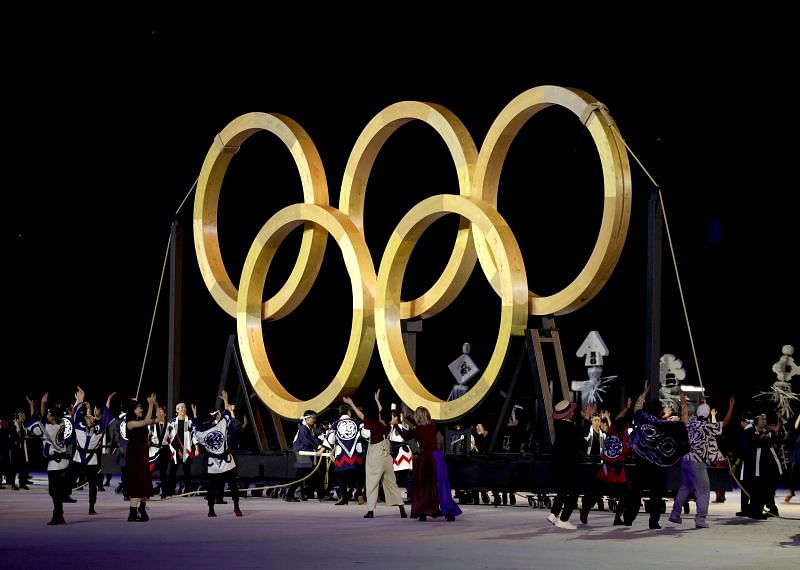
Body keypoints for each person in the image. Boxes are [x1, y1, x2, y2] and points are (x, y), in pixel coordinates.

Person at [668, 396, 734, 528]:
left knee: (685, 487)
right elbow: (725, 422)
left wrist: (685, 404)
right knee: (703, 491)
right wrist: (731, 407)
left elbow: (686, 417)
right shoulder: (708, 426)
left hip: (687, 459)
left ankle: (675, 514)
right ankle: (700, 519)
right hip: (697, 462)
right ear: (708, 414)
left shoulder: (692, 423)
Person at [343, 391, 407, 519]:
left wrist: (351, 404)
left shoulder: (376, 425)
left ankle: (370, 511)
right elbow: (382, 412)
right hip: (387, 457)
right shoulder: (388, 426)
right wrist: (377, 400)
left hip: (376, 456)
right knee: (391, 483)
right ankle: (401, 509)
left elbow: (362, 416)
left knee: (372, 482)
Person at [397, 406, 461, 522]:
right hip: (437, 457)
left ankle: (423, 511)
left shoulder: (418, 430)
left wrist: (396, 425)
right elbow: (420, 426)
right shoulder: (432, 426)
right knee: (442, 485)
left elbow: (406, 436)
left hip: (426, 459)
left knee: (424, 487)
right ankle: (449, 512)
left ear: (418, 417)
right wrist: (407, 418)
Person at [191, 390, 242, 517]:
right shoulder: (222, 426)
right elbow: (226, 413)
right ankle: (236, 507)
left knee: (212, 487)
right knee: (232, 484)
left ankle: (211, 510)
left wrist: (195, 415)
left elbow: (195, 427)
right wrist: (225, 400)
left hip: (216, 461)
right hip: (223, 461)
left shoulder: (201, 433)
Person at [25, 393, 72, 525]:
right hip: (63, 461)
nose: (47, 416)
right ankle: (59, 513)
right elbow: (41, 417)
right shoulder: (62, 424)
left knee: (54, 491)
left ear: (52, 417)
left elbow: (34, 421)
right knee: (56, 491)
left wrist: (40, 404)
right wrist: (43, 405)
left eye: (49, 414)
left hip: (55, 463)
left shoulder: (49, 428)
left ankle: (58, 515)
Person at [71, 387, 115, 515]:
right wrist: (79, 401)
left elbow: (106, 416)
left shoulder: (99, 428)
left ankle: (91, 506)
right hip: (79, 457)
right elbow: (74, 415)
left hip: (92, 460)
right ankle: (64, 495)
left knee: (92, 485)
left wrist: (108, 401)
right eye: (88, 417)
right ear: (85, 420)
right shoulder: (79, 427)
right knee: (70, 477)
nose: (90, 418)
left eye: (91, 417)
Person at [546, 399, 583, 530]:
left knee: (562, 488)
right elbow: (581, 440)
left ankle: (553, 513)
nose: (572, 414)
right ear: (566, 414)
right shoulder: (570, 427)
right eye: (571, 412)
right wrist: (587, 420)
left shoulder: (559, 425)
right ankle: (563, 519)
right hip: (569, 463)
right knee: (574, 491)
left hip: (559, 462)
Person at [322, 403, 366, 505]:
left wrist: (322, 450)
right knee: (356, 476)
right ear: (349, 412)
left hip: (342, 455)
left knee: (342, 477)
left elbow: (330, 439)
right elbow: (366, 434)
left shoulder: (335, 424)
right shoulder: (358, 423)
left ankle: (344, 499)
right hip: (356, 454)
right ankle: (359, 494)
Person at [124, 394, 158, 521]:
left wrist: (155, 404)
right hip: (134, 454)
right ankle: (132, 513)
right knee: (136, 481)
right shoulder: (130, 423)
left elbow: (159, 419)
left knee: (144, 480)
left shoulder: (141, 420)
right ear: (132, 410)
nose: (141, 409)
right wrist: (150, 404)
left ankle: (142, 508)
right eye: (139, 408)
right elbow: (146, 421)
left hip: (143, 452)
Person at [288, 409, 323, 501]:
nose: (314, 420)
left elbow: (312, 439)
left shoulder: (308, 429)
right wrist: (319, 446)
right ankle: (321, 496)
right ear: (307, 418)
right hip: (302, 453)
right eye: (313, 418)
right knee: (313, 474)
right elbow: (308, 440)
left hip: (305, 452)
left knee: (304, 475)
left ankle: (293, 494)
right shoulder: (303, 429)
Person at [166, 402, 195, 496]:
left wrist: (197, 447)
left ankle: (187, 490)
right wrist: (178, 450)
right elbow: (170, 438)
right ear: (177, 410)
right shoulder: (172, 422)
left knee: (187, 470)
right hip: (175, 449)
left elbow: (194, 435)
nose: (183, 409)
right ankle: (170, 489)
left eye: (184, 407)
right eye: (181, 408)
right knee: (173, 470)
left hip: (186, 449)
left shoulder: (190, 421)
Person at [148, 405, 171, 498]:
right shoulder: (152, 425)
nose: (160, 414)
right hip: (153, 450)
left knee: (163, 472)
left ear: (165, 414)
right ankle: (148, 491)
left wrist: (177, 451)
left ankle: (164, 492)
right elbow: (147, 436)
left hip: (164, 450)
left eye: (162, 412)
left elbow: (173, 439)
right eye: (158, 412)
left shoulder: (169, 426)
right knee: (149, 471)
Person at [9, 409, 31, 490]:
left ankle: (22, 483)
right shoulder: (14, 427)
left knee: (23, 467)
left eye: (24, 415)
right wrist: (23, 438)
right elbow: (13, 440)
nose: (23, 417)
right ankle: (12, 484)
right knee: (14, 468)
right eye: (21, 415)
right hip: (15, 450)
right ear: (17, 417)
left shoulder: (23, 427)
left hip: (23, 450)